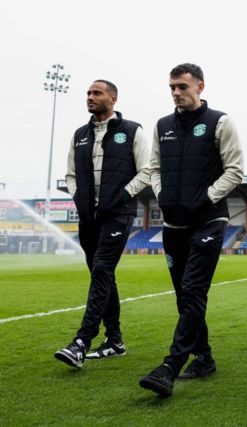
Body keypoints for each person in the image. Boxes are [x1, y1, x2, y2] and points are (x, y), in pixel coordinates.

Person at [139, 63, 244, 397]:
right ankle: (204, 355)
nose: (176, 92)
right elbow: (154, 167)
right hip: (173, 223)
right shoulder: (162, 126)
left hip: (209, 220)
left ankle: (170, 365)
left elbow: (235, 170)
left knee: (194, 290)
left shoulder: (220, 122)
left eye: (182, 86)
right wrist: (162, 193)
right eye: (172, 87)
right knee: (184, 297)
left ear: (200, 86)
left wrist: (206, 198)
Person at [55, 80, 150, 368]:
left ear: (113, 98)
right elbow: (70, 174)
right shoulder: (79, 135)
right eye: (88, 93)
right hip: (88, 217)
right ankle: (115, 341)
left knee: (101, 269)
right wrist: (78, 197)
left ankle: (82, 341)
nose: (90, 97)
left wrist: (122, 196)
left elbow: (146, 171)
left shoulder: (132, 131)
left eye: (96, 93)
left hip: (117, 215)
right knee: (103, 276)